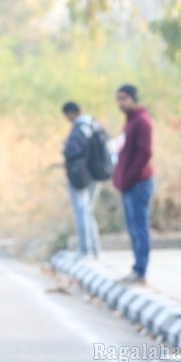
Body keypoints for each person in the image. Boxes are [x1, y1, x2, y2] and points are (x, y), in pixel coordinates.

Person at [113, 84, 154, 284]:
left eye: (124, 98)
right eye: (118, 99)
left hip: (139, 183)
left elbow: (144, 154)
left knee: (140, 227)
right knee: (133, 227)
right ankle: (137, 268)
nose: (121, 103)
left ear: (132, 98)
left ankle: (141, 270)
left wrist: (129, 177)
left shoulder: (142, 122)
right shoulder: (130, 122)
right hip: (128, 184)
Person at [61, 102, 100, 258]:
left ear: (70, 113)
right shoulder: (94, 124)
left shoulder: (79, 129)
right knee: (88, 211)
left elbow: (73, 153)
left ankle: (85, 250)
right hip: (96, 175)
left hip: (81, 177)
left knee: (82, 212)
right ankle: (95, 248)